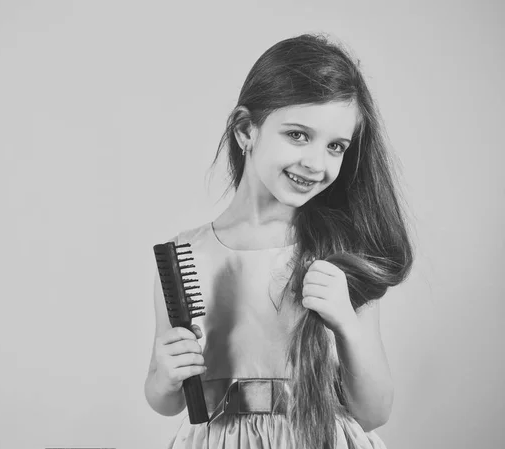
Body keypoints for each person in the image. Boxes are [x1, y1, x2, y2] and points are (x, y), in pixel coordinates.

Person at [144, 32, 414, 449]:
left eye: (336, 146)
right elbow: (164, 399)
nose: (315, 162)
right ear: (245, 130)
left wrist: (346, 323)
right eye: (298, 135)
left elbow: (374, 411)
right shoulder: (186, 256)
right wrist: (165, 376)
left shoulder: (340, 252)